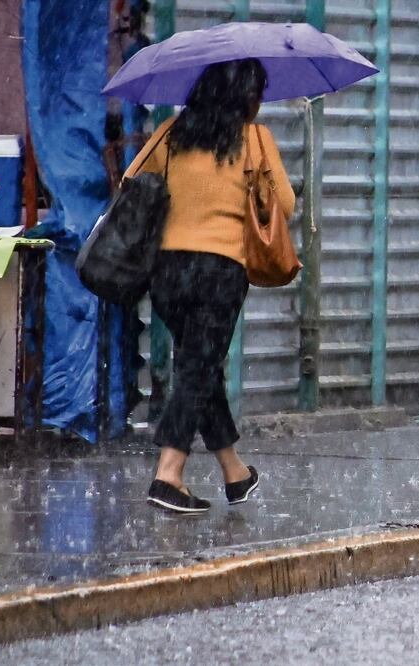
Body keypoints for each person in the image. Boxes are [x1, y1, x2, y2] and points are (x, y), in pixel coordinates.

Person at [125, 58, 295, 514]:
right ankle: (168, 474)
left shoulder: (171, 132)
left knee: (201, 366)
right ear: (247, 97)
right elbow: (287, 205)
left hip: (167, 273)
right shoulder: (255, 140)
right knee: (197, 369)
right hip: (220, 273)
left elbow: (131, 181)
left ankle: (234, 473)